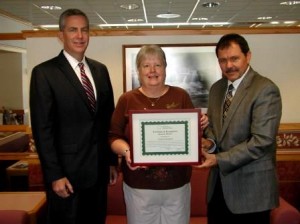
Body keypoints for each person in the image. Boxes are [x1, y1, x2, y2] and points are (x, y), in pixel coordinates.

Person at [30, 8, 118, 224]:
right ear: (61, 35)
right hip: (66, 178)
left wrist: (111, 162)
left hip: (98, 174)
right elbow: (43, 130)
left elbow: (107, 120)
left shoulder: (101, 70)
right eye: (73, 30)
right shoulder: (44, 73)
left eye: (84, 30)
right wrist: (54, 175)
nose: (80, 36)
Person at [108, 44, 208, 224]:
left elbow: (193, 137)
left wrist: (200, 125)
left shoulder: (181, 96)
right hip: (139, 187)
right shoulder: (127, 99)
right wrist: (128, 153)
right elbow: (113, 137)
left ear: (165, 68)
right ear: (138, 70)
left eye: (158, 65)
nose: (152, 70)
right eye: (146, 65)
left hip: (177, 187)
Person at [199, 33, 282, 224]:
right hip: (218, 190)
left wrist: (218, 158)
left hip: (252, 194)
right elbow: (214, 129)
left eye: (234, 58)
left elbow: (262, 141)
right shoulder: (216, 89)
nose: (229, 65)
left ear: (248, 56)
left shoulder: (265, 89)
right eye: (223, 60)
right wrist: (209, 143)